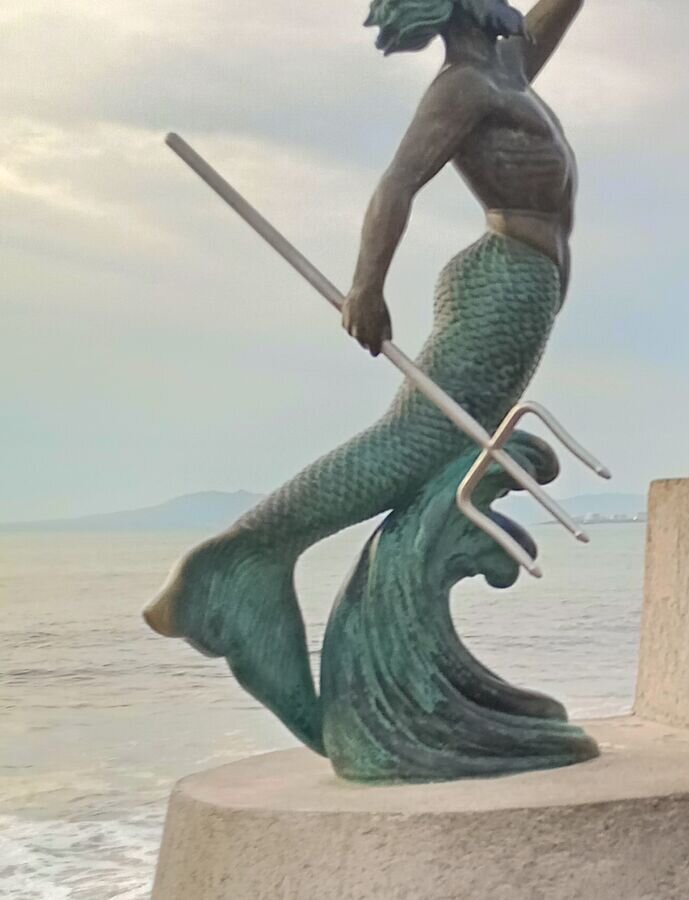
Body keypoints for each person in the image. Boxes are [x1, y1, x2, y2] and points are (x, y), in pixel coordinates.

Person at [142, 0, 586, 751]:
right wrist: (366, 288)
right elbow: (397, 184)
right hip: (504, 284)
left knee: (437, 456)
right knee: (411, 446)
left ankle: (402, 660)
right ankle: (242, 557)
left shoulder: (508, 67)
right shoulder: (465, 88)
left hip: (524, 284)